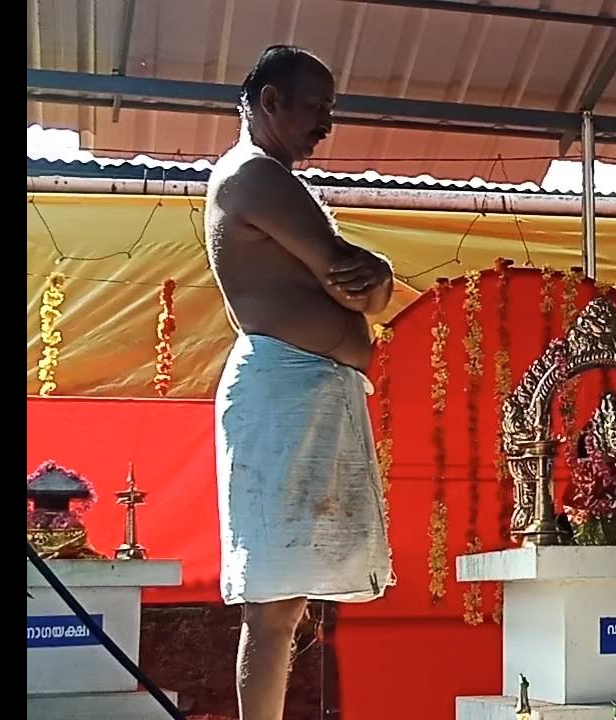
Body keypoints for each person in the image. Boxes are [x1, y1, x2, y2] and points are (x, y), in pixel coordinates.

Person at [206, 45, 395, 720]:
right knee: (274, 600)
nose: (326, 124)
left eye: (330, 109)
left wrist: (375, 281)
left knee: (293, 597)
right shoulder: (253, 176)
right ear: (271, 102)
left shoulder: (272, 177)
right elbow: (347, 270)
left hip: (312, 390)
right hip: (283, 388)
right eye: (316, 106)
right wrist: (371, 276)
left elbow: (366, 294)